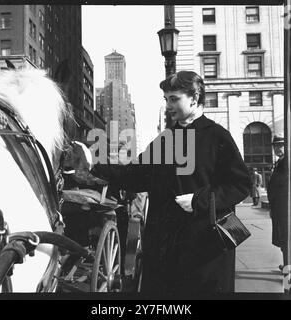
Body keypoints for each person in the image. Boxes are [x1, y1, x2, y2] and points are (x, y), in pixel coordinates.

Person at [90, 71, 251, 296]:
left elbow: (241, 184)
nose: (168, 105)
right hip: (163, 249)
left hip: (204, 250)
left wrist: (199, 200)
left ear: (194, 98)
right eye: (166, 99)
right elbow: (135, 176)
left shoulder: (217, 136)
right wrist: (93, 164)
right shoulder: (165, 139)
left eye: (174, 99)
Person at [267, 134, 288, 271]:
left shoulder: (286, 161)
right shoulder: (281, 161)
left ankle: (288, 269)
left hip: (284, 207)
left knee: (286, 238)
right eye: (275, 146)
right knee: (283, 238)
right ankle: (287, 265)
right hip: (278, 207)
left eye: (280, 145)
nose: (277, 148)